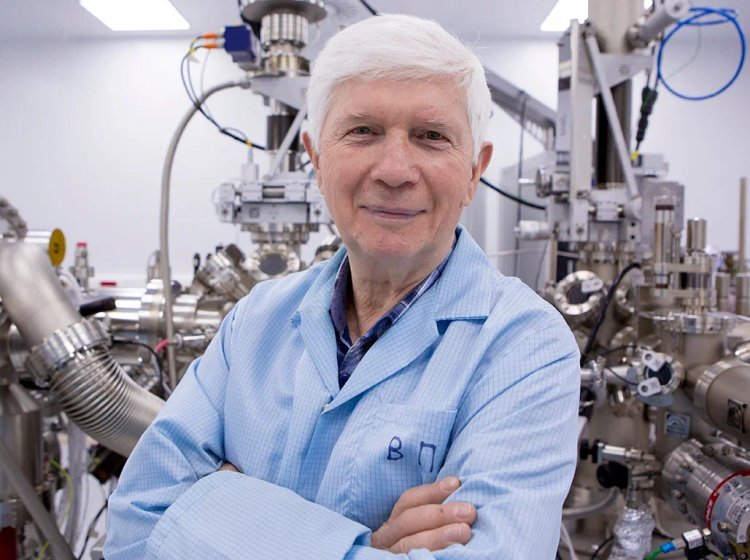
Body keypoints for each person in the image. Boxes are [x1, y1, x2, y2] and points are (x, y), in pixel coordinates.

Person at [104, 13, 580, 560]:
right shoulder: (255, 321)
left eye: (431, 137)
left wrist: (217, 506)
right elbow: (136, 526)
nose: (395, 170)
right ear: (316, 158)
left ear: (475, 170)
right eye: (363, 131)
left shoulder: (526, 346)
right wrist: (362, 546)